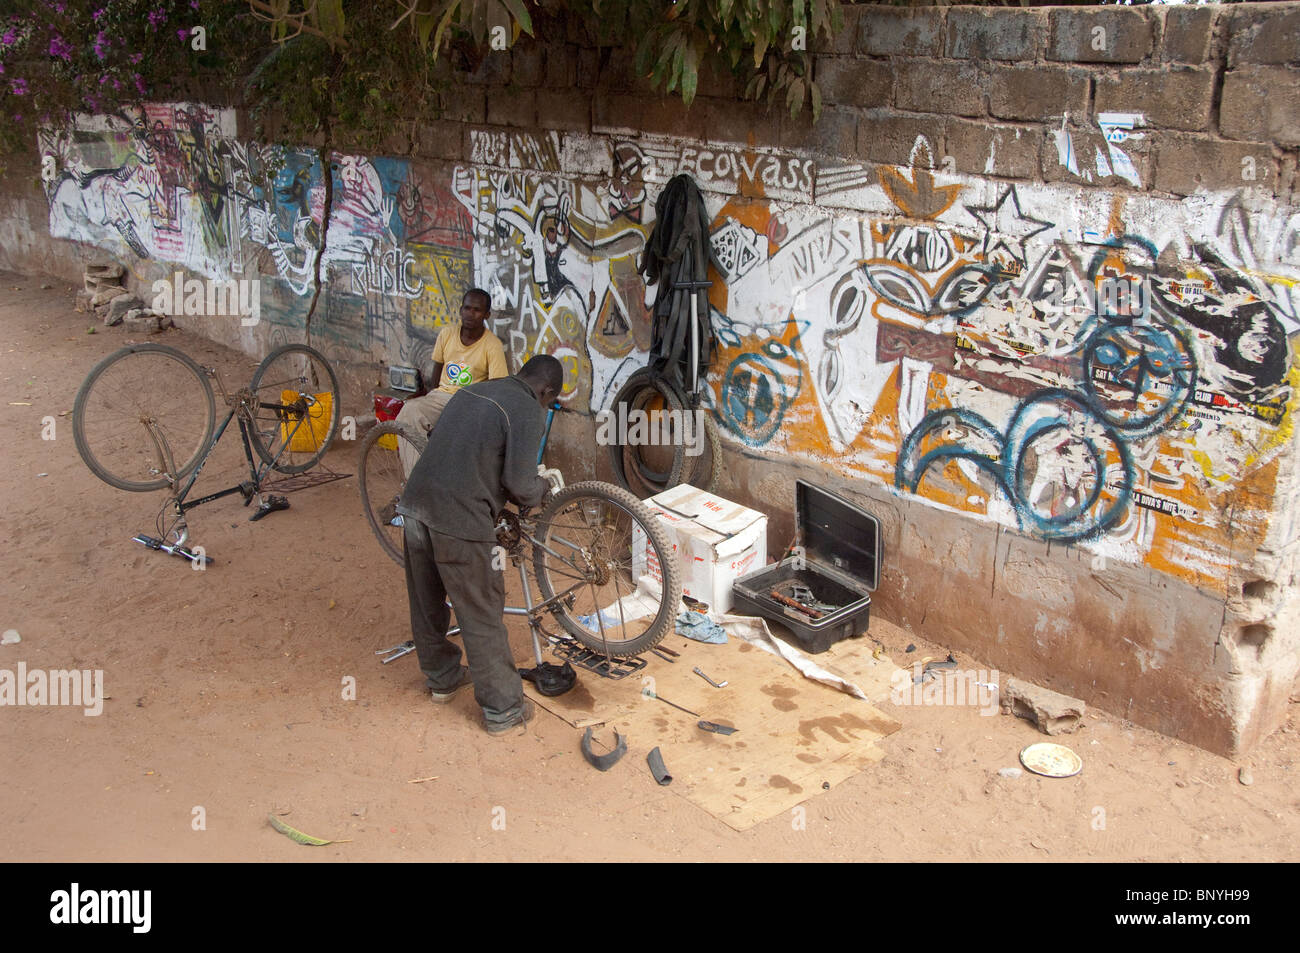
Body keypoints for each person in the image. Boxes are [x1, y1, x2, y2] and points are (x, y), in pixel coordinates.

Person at [396, 355, 564, 734]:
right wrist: (544, 486)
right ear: (546, 391)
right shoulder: (527, 410)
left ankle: (442, 678)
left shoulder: (474, 390)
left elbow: (460, 450)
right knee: (482, 610)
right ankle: (503, 709)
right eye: (549, 402)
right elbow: (522, 487)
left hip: (414, 507)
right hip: (458, 520)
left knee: (426, 602)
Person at [396, 288, 508, 476]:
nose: (470, 314)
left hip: (469, 401)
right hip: (441, 397)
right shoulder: (447, 334)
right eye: (466, 308)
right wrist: (430, 396)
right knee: (408, 413)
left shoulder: (492, 345)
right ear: (460, 310)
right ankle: (414, 482)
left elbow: (498, 387)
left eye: (477, 310)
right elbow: (436, 372)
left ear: (486, 315)